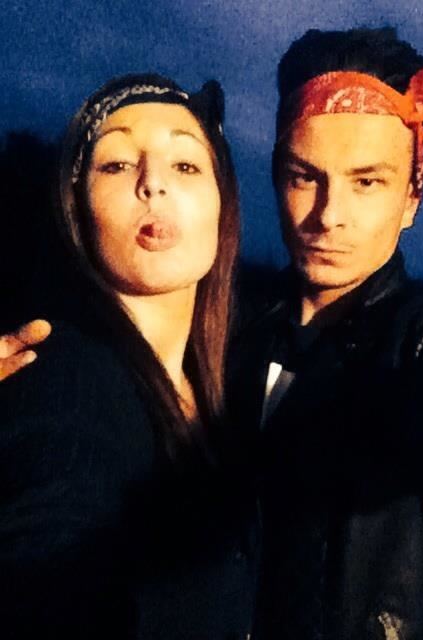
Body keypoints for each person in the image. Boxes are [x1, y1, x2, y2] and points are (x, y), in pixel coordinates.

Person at [228, 27, 423, 639]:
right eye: (304, 176)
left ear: (412, 197)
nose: (329, 215)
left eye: (367, 182)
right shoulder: (224, 328)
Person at [0, 73, 257, 639]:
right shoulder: (64, 378)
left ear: (224, 206)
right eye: (116, 164)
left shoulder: (224, 392)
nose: (153, 184)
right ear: (77, 207)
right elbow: (42, 578)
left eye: (185, 165)